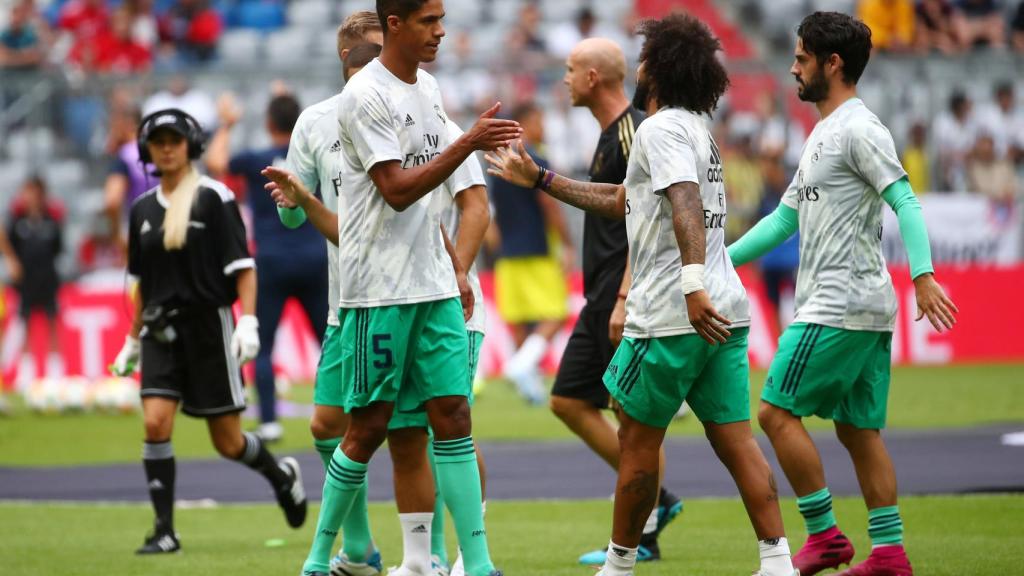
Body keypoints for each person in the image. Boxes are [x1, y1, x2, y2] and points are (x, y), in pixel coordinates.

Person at [486, 13, 796, 576]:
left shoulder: (656, 130)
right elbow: (625, 199)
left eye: (647, 55)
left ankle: (620, 565)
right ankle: (777, 561)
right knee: (736, 441)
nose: (640, 63)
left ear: (659, 67)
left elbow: (683, 200)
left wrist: (691, 284)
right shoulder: (695, 129)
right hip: (725, 311)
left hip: (672, 314)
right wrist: (543, 180)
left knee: (634, 440)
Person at [291, 1, 521, 575]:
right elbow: (395, 189)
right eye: (428, 21)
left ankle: (479, 564)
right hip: (378, 292)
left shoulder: (430, 88)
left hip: (434, 285)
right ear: (395, 24)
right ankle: (321, 559)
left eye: (442, 19)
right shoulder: (365, 96)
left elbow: (450, 207)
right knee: (367, 428)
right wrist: (466, 144)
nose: (441, 31)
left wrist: (456, 268)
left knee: (452, 417)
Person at [727, 12, 958, 576]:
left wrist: (923, 275)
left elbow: (905, 200)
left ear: (834, 64)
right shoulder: (822, 133)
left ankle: (825, 535)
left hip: (839, 302)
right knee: (858, 431)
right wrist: (718, 263)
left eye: (802, 58)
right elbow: (784, 222)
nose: (793, 67)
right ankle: (890, 553)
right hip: (863, 307)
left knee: (776, 413)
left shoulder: (860, 129)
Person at [108, 108, 307, 555]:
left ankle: (281, 476)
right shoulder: (141, 210)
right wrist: (132, 338)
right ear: (147, 150)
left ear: (190, 145)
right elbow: (141, 283)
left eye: (174, 140)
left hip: (208, 328)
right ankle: (164, 530)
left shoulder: (214, 198)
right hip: (160, 331)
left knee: (229, 442)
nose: (166, 147)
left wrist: (250, 321)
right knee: (155, 422)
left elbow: (243, 268)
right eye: (157, 141)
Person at [553, 36, 683, 567]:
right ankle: (658, 499)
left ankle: (643, 531)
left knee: (633, 418)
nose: (564, 78)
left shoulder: (634, 133)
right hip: (601, 293)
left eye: (570, 69)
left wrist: (626, 295)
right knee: (568, 400)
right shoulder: (610, 134)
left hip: (622, 294)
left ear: (592, 78)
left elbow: (646, 222)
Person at [264, 11, 385, 575]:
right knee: (325, 426)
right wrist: (290, 204)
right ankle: (360, 547)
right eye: (374, 49)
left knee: (422, 429)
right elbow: (296, 215)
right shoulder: (314, 123)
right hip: (348, 298)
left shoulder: (411, 106)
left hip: (409, 293)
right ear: (347, 58)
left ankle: (437, 554)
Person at [206, 92, 328, 442]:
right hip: (313, 258)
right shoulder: (311, 156)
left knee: (263, 343)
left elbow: (216, 161)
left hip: (271, 262)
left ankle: (270, 422)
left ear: (268, 123)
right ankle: (342, 412)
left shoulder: (258, 159)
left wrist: (227, 124)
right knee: (330, 343)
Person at [489, 102, 572, 405]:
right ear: (523, 124)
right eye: (538, 119)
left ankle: (529, 385)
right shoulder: (534, 159)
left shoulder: (500, 162)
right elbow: (550, 204)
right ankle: (522, 367)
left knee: (521, 320)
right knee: (555, 315)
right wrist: (568, 244)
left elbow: (491, 211)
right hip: (537, 249)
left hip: (507, 254)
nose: (543, 126)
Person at [8, 176, 64, 385]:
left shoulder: (51, 221)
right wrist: (13, 263)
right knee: (25, 322)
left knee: (52, 322)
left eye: (34, 192)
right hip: (26, 280)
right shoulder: (17, 222)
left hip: (48, 278)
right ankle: (26, 371)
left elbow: (58, 248)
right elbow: (11, 247)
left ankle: (55, 370)